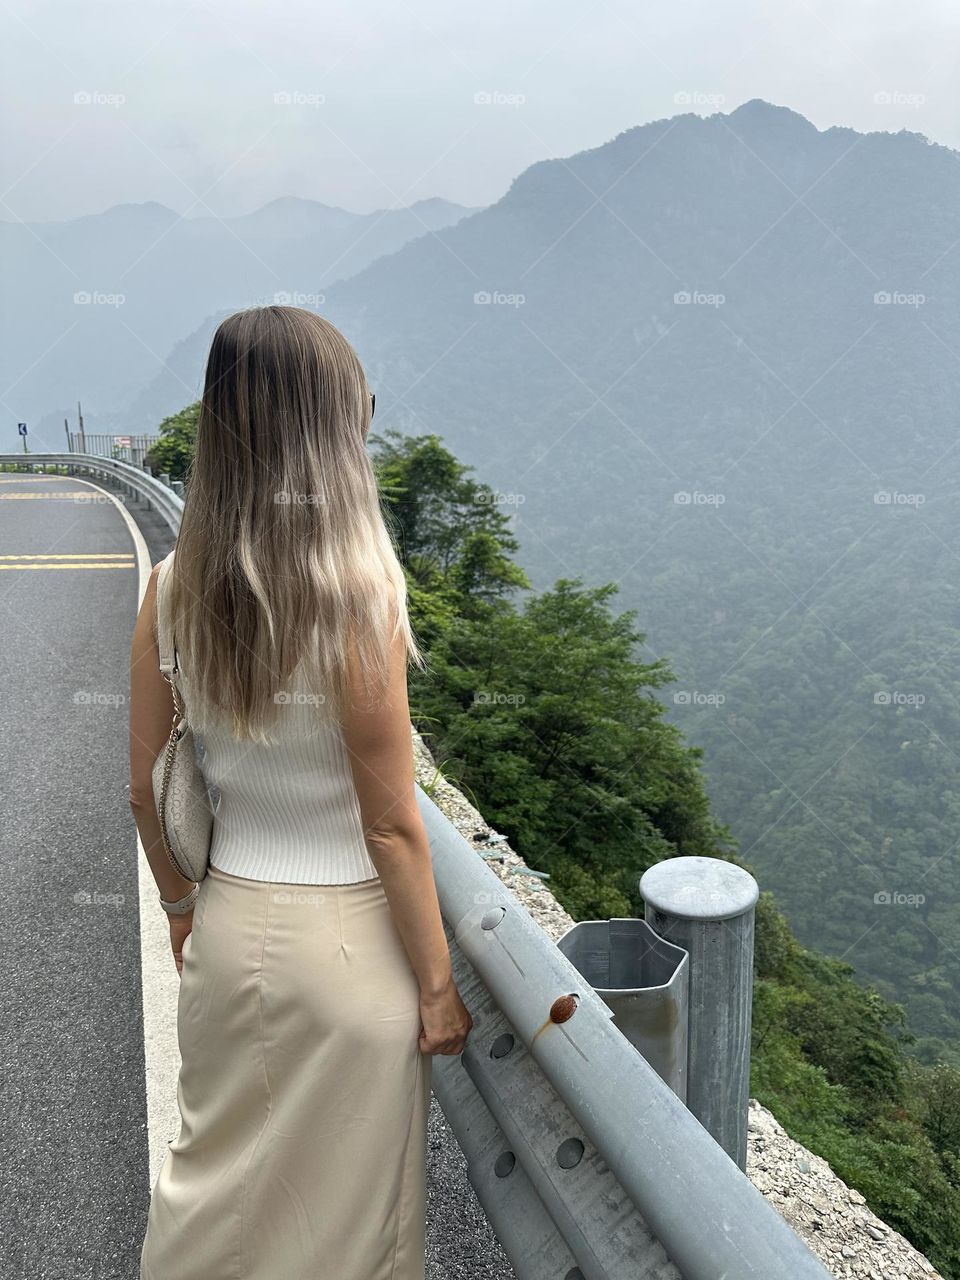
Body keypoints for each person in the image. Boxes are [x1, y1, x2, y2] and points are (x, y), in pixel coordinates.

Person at [128, 305, 472, 1280]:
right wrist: (440, 989)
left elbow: (146, 789)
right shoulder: (358, 594)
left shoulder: (170, 586)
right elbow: (393, 824)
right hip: (352, 954)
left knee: (215, 1207)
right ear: (331, 434)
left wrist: (183, 909)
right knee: (347, 1238)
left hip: (232, 927)